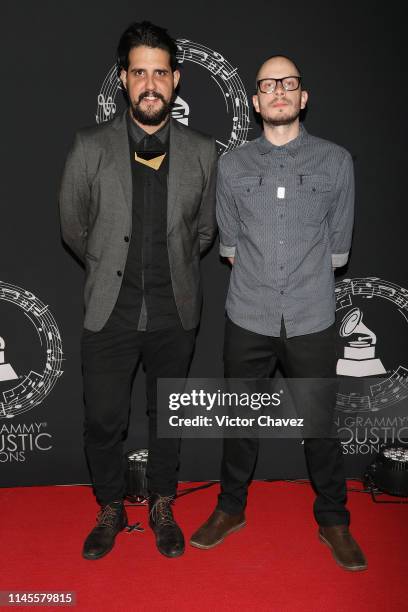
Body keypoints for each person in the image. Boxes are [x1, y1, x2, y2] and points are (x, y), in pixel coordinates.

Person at [190, 55, 367, 571]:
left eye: (288, 83)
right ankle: (230, 509)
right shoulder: (233, 164)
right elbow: (229, 246)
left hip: (312, 317)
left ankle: (334, 521)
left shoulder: (336, 161)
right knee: (240, 423)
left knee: (321, 427)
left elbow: (338, 249)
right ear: (255, 101)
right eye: (268, 85)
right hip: (249, 314)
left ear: (302, 96)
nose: (279, 92)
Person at [59, 20, 217, 560]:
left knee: (167, 417)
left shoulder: (202, 152)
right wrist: (110, 265)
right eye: (139, 72)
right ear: (124, 79)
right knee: (104, 419)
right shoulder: (89, 146)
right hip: (111, 311)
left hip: (176, 310)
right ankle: (109, 506)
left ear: (175, 80)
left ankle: (162, 504)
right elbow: (73, 227)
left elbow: (202, 232)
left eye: (160, 73)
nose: (150, 84)